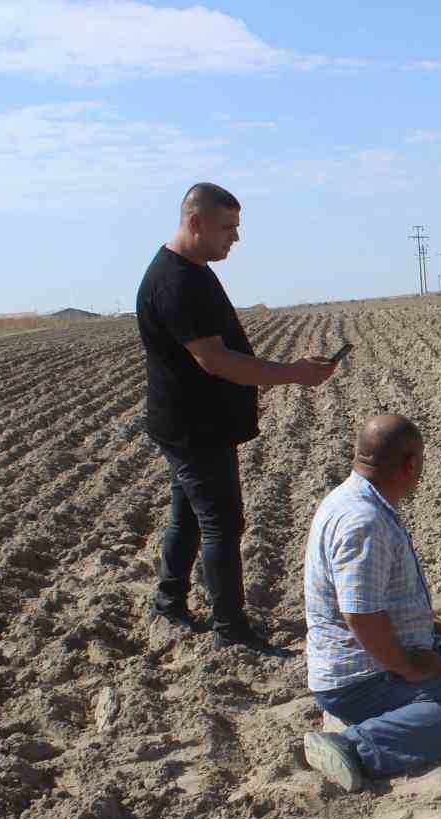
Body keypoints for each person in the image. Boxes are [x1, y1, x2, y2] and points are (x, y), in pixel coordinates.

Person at [135, 182, 337, 649]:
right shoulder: (176, 281)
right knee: (221, 523)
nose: (235, 238)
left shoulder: (194, 269)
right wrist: (293, 374)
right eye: (228, 228)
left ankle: (169, 603)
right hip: (194, 427)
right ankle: (230, 629)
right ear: (195, 222)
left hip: (194, 423)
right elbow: (215, 360)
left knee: (189, 517)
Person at [301, 414, 441, 790]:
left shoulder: (355, 497)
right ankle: (353, 745)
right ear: (410, 464)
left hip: (372, 656)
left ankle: (397, 713)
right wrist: (409, 666)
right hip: (359, 677)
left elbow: (372, 595)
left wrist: (430, 625)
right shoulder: (364, 522)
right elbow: (360, 613)